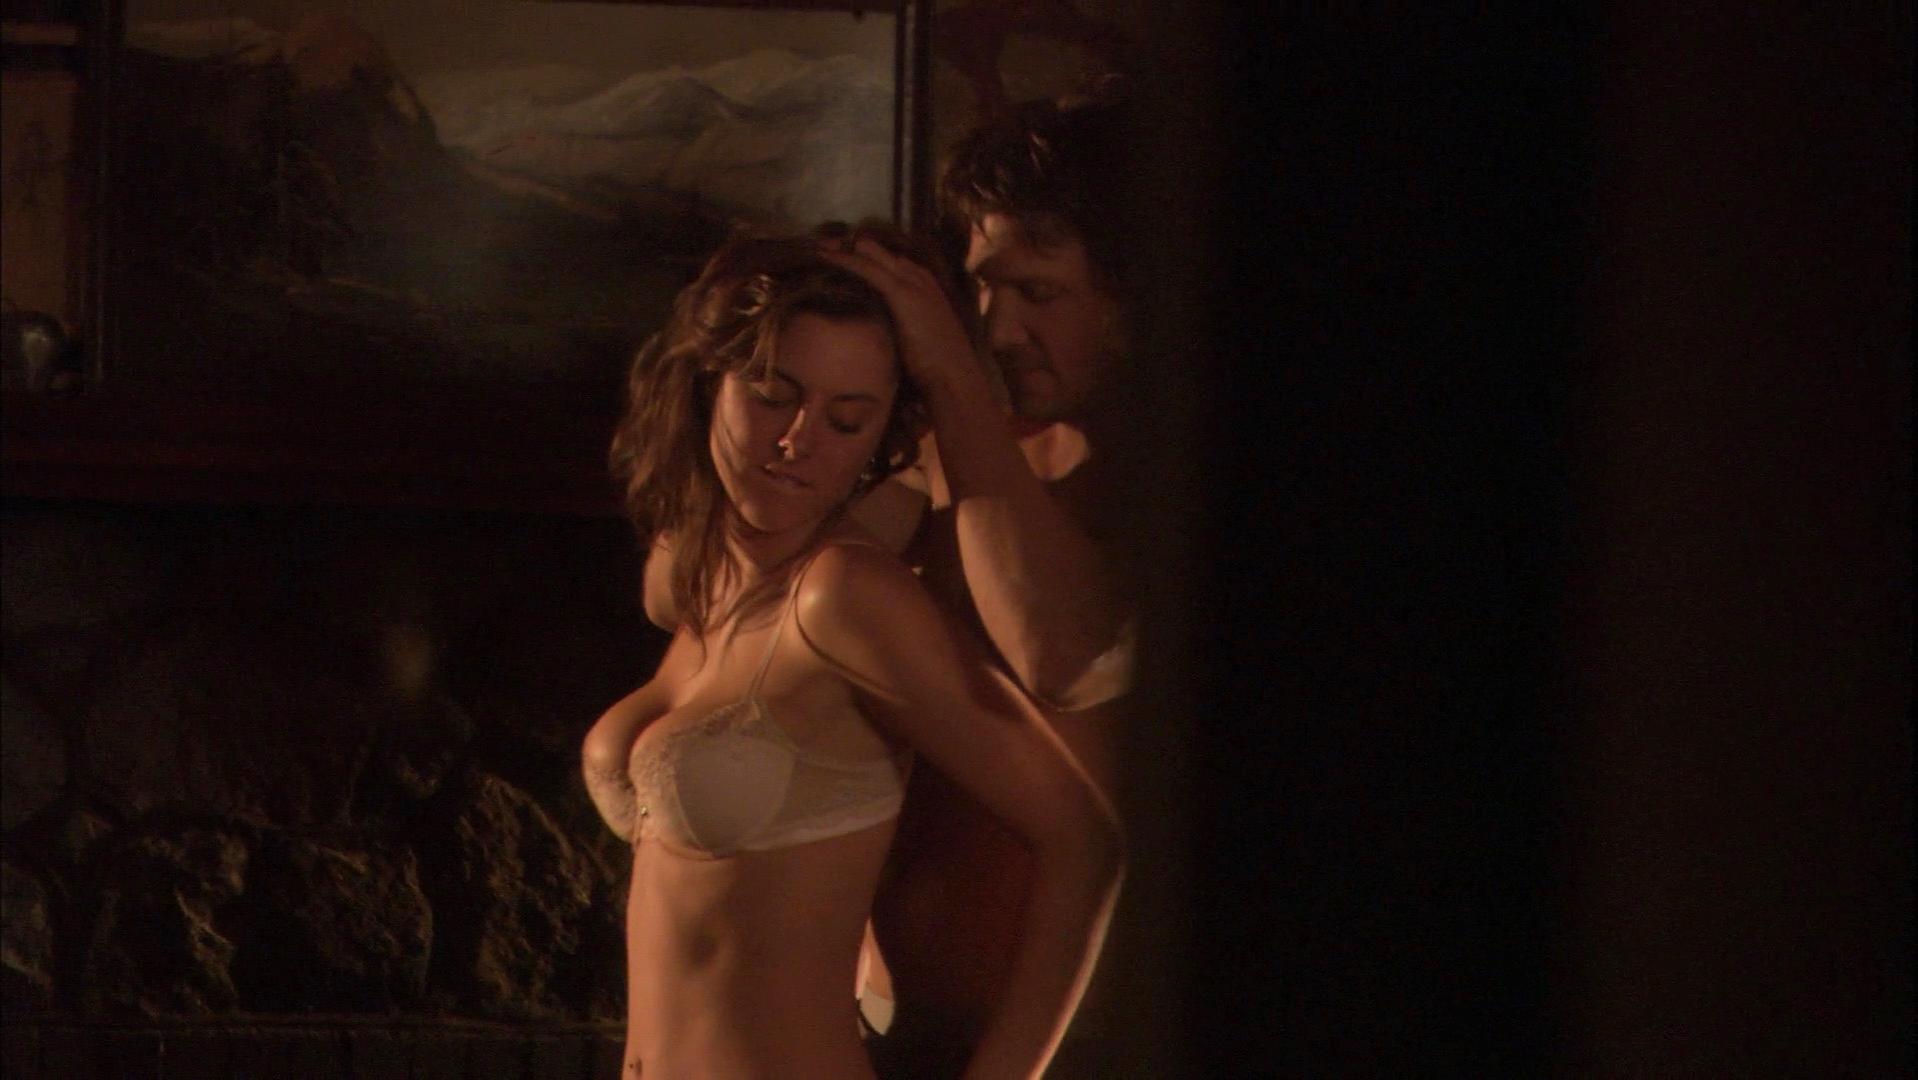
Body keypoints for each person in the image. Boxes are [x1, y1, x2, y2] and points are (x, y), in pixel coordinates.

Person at [580, 222, 1125, 1079]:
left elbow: (1085, 841)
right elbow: (671, 561)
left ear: (884, 437)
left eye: (847, 419)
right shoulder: (706, 581)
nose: (799, 441)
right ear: (710, 380)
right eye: (772, 393)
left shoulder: (847, 597)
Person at [816, 86, 1144, 1075]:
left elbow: (1065, 654)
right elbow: (765, 601)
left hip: (1088, 1039)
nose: (999, 330)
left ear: (1135, 297)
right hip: (916, 1018)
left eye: (1038, 292)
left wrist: (951, 378)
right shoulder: (971, 447)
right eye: (984, 292)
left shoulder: (1170, 480)